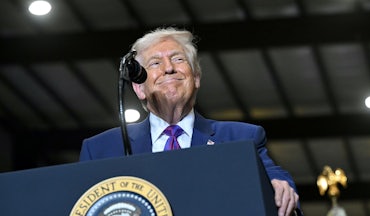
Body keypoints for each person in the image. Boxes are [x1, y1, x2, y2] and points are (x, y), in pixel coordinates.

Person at [80, 27, 303, 216]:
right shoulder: (101, 149)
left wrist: (278, 186)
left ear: (195, 78)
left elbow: (275, 178)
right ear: (139, 88)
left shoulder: (241, 138)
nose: (169, 67)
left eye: (178, 59)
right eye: (155, 63)